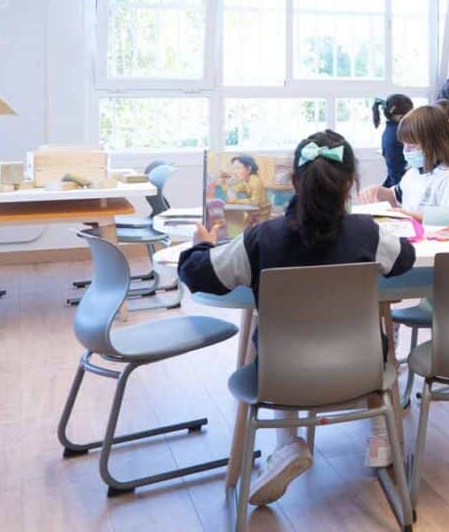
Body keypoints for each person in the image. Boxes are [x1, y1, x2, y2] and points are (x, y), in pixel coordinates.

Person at [178, 130, 416, 505]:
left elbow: (198, 274)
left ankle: (287, 447)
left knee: (283, 343)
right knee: (370, 336)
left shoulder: (262, 238)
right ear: (351, 184)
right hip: (360, 372)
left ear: (294, 183)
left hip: (282, 376)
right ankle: (379, 436)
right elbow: (404, 259)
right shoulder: (367, 233)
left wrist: (202, 244)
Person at [363, 106, 449, 219]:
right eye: (404, 145)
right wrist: (378, 191)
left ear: (435, 144)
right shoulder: (412, 174)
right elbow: (396, 198)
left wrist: (410, 216)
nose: (405, 151)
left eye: (412, 145)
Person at [373, 94, 413, 189]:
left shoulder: (393, 131)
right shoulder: (396, 135)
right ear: (400, 117)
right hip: (398, 185)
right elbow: (396, 172)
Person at [223, 154, 271, 222]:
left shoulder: (255, 181)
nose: (234, 172)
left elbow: (254, 202)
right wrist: (228, 183)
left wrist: (235, 201)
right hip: (253, 213)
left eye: (238, 168)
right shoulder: (245, 180)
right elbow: (233, 189)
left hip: (262, 214)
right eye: (233, 169)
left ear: (248, 169)